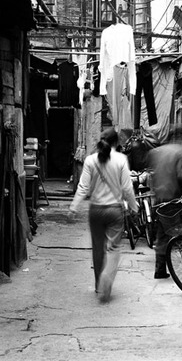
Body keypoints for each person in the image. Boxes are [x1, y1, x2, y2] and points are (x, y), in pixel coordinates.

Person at [69, 127, 138, 303]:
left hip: (96, 210)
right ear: (116, 142)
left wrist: (74, 206)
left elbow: (83, 186)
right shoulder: (121, 159)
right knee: (113, 248)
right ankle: (107, 277)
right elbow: (127, 188)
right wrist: (133, 206)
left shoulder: (91, 160)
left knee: (98, 248)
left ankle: (98, 284)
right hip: (115, 210)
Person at [146, 127, 182, 279]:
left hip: (158, 198)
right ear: (180, 137)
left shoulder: (156, 152)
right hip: (173, 197)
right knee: (179, 231)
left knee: (162, 235)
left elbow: (151, 174)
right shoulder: (179, 152)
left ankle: (160, 269)